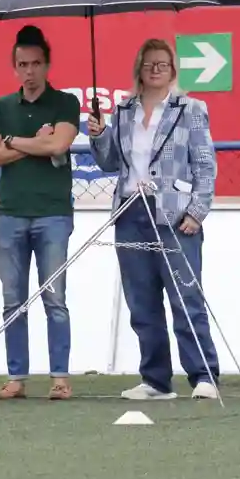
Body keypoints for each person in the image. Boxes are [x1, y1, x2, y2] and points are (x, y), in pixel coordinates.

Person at [87, 38, 220, 401]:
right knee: (141, 301)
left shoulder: (190, 108)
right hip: (131, 211)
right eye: (149, 64)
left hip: (174, 215)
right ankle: (156, 380)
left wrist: (196, 211)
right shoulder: (124, 110)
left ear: (173, 70)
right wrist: (98, 134)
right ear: (139, 70)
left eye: (163, 64)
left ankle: (203, 375)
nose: (156, 70)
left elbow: (205, 164)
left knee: (185, 296)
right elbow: (110, 161)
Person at [0, 25, 80, 401]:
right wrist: (36, 143)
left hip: (53, 213)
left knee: (54, 297)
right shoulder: (1, 107)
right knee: (12, 300)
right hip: (10, 213)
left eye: (36, 63)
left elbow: (61, 143)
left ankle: (60, 378)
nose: (30, 71)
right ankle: (17, 378)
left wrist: (12, 141)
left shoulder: (65, 102)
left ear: (47, 65)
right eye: (23, 64)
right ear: (14, 67)